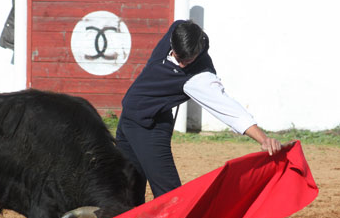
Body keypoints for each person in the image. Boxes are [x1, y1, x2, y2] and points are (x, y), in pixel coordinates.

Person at [116, 20, 285, 204]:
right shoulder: (179, 29)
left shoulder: (200, 77)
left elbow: (229, 109)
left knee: (168, 195)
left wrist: (263, 139)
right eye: (177, 57)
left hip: (149, 127)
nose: (181, 65)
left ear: (198, 51)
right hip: (127, 121)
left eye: (186, 61)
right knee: (125, 188)